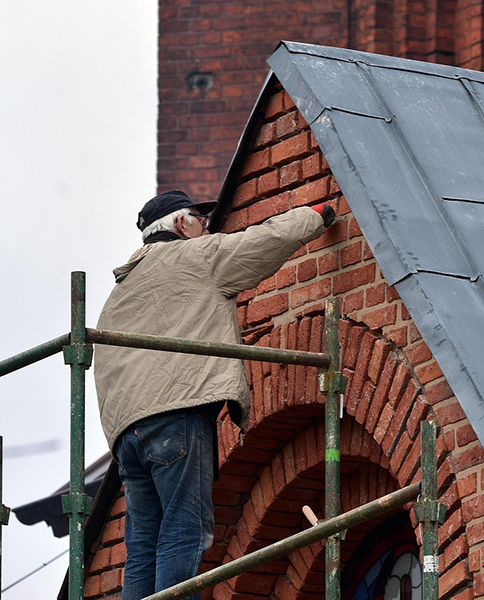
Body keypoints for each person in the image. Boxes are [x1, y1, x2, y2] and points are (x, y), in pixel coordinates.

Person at [93, 190, 335, 599]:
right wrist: (315, 214)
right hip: (177, 414)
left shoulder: (118, 294)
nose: (207, 229)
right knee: (184, 531)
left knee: (142, 546)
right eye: (201, 221)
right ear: (182, 223)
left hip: (126, 438)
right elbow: (263, 241)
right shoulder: (196, 256)